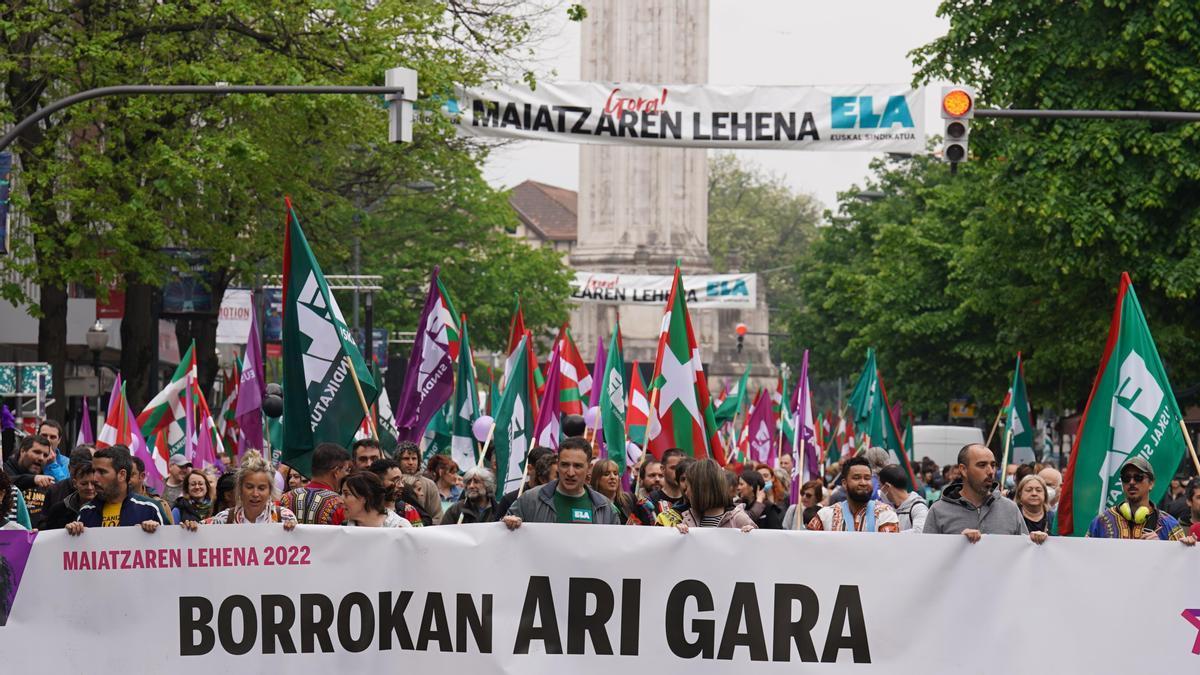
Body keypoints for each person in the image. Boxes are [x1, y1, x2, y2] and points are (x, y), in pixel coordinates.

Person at [923, 444, 1045, 544]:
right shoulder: (938, 511)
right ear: (963, 470)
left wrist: (1037, 543)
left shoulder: (1010, 509)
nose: (991, 471)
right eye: (982, 465)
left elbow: (1023, 557)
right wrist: (958, 544)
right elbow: (929, 558)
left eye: (993, 465)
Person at [503, 438, 619, 527]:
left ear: (589, 468)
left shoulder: (605, 508)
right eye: (565, 465)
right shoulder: (530, 500)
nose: (570, 472)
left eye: (577, 466)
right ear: (557, 464)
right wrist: (507, 525)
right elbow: (502, 539)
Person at [1086, 457, 1195, 544]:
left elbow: (1178, 565)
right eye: (1126, 478)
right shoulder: (1101, 521)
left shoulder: (1170, 525)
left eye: (1138, 477)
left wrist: (1186, 548)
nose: (1132, 482)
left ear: (1151, 483)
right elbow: (1084, 557)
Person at [180, 451, 297, 528]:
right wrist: (191, 529)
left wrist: (294, 533)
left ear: (270, 490)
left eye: (261, 488)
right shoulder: (223, 520)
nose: (255, 494)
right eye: (249, 487)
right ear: (240, 488)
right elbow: (198, 537)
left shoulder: (285, 517)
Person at [67, 445, 164, 534]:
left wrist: (156, 532)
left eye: (102, 472)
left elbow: (172, 547)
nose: (94, 478)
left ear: (122, 475)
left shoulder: (150, 509)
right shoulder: (86, 512)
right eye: (94, 471)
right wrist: (72, 533)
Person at [807, 456, 899, 532]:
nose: (863, 483)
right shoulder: (825, 516)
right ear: (844, 483)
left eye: (867, 478)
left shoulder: (885, 514)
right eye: (856, 478)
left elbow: (890, 549)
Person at [279, 442, 350, 525]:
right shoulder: (340, 505)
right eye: (346, 470)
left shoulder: (284, 499)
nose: (348, 474)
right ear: (336, 471)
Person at [676, 459, 756, 532]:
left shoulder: (737, 519)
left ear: (699, 489)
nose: (686, 492)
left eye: (688, 487)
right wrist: (678, 533)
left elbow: (758, 545)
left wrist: (751, 534)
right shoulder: (689, 519)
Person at [3, 434, 55, 528]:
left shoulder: (46, 479)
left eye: (45, 455)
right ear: (22, 451)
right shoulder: (5, 470)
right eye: (37, 452)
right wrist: (33, 479)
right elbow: (8, 482)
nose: (41, 458)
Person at [495, 446, 555, 516]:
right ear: (529, 469)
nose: (547, 476)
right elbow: (498, 525)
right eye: (543, 469)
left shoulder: (558, 498)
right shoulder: (510, 499)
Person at [40, 460, 99, 530]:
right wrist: (65, 532)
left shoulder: (107, 507)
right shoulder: (58, 510)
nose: (89, 488)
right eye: (84, 484)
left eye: (94, 484)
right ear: (75, 483)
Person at [341, 471, 409, 527]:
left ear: (367, 497)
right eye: (341, 494)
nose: (340, 500)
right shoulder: (343, 529)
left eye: (347, 494)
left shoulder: (400, 527)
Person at [44, 445, 95, 515]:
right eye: (84, 483)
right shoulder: (55, 491)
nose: (89, 487)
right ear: (69, 468)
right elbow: (44, 522)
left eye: (87, 470)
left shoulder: (102, 492)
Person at [878, 464, 929, 533]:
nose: (880, 491)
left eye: (880, 486)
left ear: (887, 486)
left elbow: (920, 532)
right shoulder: (889, 508)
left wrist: (891, 534)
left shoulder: (918, 508)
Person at [126, 456, 173, 524]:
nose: (127, 479)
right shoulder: (115, 503)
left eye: (131, 475)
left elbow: (170, 532)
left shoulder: (160, 504)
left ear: (142, 476)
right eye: (124, 475)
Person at [589, 459, 637, 523]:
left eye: (615, 474)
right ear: (597, 479)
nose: (612, 477)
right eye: (606, 474)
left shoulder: (629, 499)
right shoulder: (589, 503)